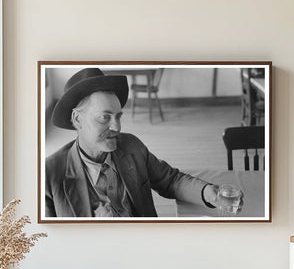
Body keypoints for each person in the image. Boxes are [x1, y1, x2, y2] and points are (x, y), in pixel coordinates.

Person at [45, 68, 243, 218]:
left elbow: (170, 181)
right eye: (105, 118)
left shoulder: (132, 147)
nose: (117, 127)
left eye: (118, 116)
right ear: (77, 120)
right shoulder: (50, 174)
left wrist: (208, 193)